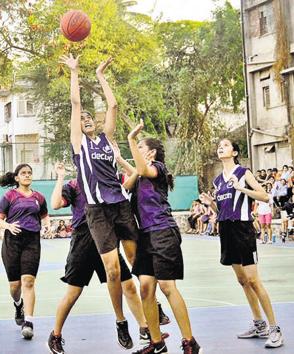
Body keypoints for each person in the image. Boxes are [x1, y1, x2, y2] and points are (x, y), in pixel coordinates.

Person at [61, 53, 151, 348]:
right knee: (113, 270)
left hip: (120, 206)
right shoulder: (80, 143)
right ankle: (120, 321)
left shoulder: (108, 140)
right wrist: (75, 71)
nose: (85, 120)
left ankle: (151, 312)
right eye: (82, 119)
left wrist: (100, 75)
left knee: (136, 262)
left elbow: (112, 105)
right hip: (97, 211)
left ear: (96, 123)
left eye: (89, 118)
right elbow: (75, 104)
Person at [47, 162, 158, 353]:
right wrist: (60, 177)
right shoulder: (74, 185)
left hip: (106, 239)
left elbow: (137, 175)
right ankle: (55, 335)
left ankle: (144, 328)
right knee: (73, 293)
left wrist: (119, 158)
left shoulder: (110, 182)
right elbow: (56, 204)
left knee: (128, 285)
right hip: (84, 241)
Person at [122, 120, 202, 353]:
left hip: (163, 232)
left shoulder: (157, 168)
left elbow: (142, 169)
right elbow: (131, 177)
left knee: (167, 286)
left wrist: (130, 140)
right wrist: (117, 156)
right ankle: (157, 344)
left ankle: (190, 342)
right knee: (146, 288)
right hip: (145, 237)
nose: (136, 151)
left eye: (140, 147)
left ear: (152, 152)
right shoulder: (138, 175)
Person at [200, 139, 283, 348]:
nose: (221, 147)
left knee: (254, 281)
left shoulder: (243, 173)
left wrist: (242, 189)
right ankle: (259, 324)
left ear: (234, 152)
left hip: (242, 229)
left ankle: (275, 329)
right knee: (242, 281)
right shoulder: (218, 181)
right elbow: (222, 211)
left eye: (226, 145)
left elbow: (265, 196)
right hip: (226, 230)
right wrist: (211, 204)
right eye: (219, 145)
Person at [0, 163, 50, 340]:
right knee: (15, 286)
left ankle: (29, 322)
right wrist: (8, 226)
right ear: (17, 178)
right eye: (23, 173)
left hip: (32, 241)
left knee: (28, 281)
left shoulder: (39, 197)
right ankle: (18, 305)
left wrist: (47, 225)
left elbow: (44, 215)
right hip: (12, 241)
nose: (27, 175)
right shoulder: (9, 196)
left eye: (29, 173)